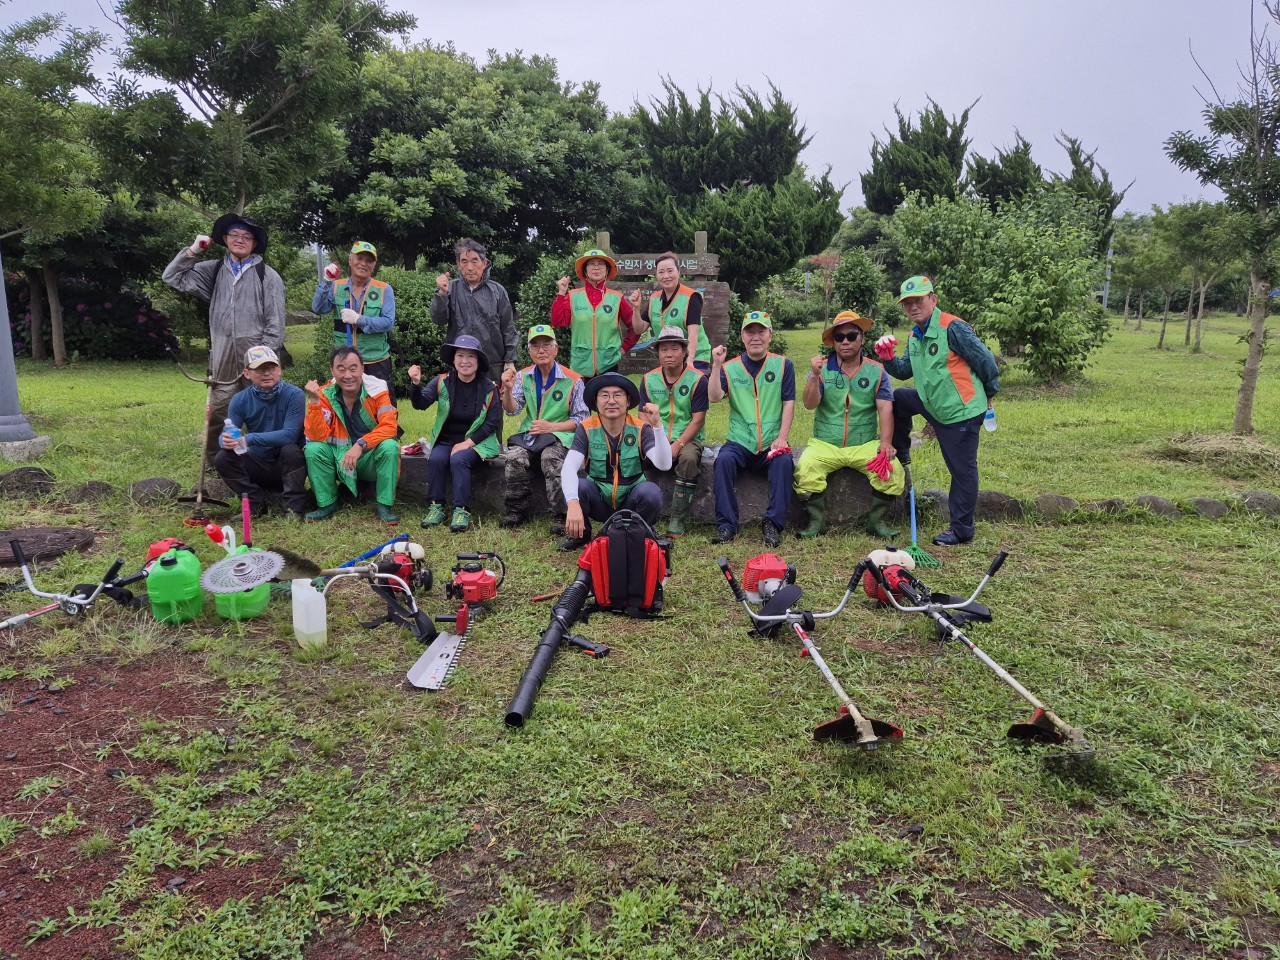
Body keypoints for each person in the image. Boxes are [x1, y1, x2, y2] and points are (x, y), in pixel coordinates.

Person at [875, 275, 1000, 546]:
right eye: (907, 303)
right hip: (933, 405)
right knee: (901, 397)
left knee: (962, 471)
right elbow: (905, 370)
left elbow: (986, 361)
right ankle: (902, 449)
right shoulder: (914, 335)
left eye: (918, 300)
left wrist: (990, 393)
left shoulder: (953, 328)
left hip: (961, 413)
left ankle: (962, 529)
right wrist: (887, 360)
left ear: (933, 299)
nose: (913, 308)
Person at [162, 213, 285, 453]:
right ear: (225, 239)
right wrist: (193, 251)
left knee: (264, 408)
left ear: (255, 243)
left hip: (258, 354)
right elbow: (172, 276)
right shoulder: (214, 270)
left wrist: (263, 357)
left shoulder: (267, 276)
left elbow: (276, 323)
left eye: (246, 236)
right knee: (220, 408)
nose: (240, 240)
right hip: (223, 354)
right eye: (234, 235)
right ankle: (218, 461)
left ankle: (264, 459)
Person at [793, 311, 905, 538]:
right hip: (825, 443)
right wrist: (814, 376)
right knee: (805, 468)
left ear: (862, 338)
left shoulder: (877, 370)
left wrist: (885, 442)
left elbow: (885, 408)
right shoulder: (822, 369)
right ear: (833, 342)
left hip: (864, 443)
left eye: (852, 336)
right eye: (839, 337)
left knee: (892, 471)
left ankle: (876, 522)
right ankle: (817, 522)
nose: (845, 341)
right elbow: (809, 404)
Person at [707, 311, 795, 547]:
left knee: (784, 463)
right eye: (750, 332)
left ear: (770, 335)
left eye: (761, 331)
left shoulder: (783, 365)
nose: (755, 337)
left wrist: (782, 438)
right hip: (740, 440)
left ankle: (772, 524)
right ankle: (727, 525)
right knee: (723, 460)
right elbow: (714, 397)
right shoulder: (730, 367)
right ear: (742, 336)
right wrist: (716, 366)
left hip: (771, 442)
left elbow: (788, 402)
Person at [559, 372, 671, 551]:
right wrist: (572, 503)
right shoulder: (586, 428)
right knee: (579, 487)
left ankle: (642, 532)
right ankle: (581, 534)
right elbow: (568, 469)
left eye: (618, 395)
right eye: (604, 395)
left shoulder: (641, 428)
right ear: (596, 402)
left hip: (630, 502)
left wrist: (658, 426)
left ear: (628, 402)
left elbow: (664, 464)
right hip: (600, 501)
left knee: (651, 493)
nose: (611, 401)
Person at [499, 324, 588, 535]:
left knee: (551, 457)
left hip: (561, 435)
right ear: (529, 351)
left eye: (547, 345)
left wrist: (552, 427)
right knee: (514, 457)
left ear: (556, 349)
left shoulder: (573, 379)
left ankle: (561, 513)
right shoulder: (522, 376)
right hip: (531, 436)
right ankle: (516, 510)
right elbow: (512, 410)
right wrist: (508, 391)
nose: (541, 350)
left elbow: (582, 417)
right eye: (535, 346)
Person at [408, 334, 501, 534]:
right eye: (460, 355)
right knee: (436, 459)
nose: (465, 361)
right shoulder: (442, 381)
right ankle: (436, 506)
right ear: (453, 359)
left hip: (478, 442)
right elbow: (420, 404)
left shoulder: (488, 388)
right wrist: (415, 385)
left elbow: (493, 423)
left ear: (478, 361)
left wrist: (467, 443)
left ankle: (461, 509)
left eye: (471, 356)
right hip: (447, 439)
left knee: (459, 460)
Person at [302, 346, 401, 524]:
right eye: (341, 369)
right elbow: (316, 436)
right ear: (332, 371)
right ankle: (327, 504)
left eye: (353, 368)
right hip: (338, 459)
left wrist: (361, 444)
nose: (348, 375)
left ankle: (384, 506)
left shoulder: (377, 391)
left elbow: (390, 426)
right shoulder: (324, 394)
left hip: (367, 458)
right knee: (313, 449)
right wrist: (314, 402)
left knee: (390, 446)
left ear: (362, 369)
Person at [213, 346, 307, 519]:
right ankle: (255, 503)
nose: (267, 373)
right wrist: (224, 440)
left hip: (285, 464)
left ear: (279, 370)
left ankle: (293, 508)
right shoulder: (240, 399)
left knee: (291, 449)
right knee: (222, 457)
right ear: (247, 373)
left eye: (271, 368)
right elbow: (229, 430)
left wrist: (249, 438)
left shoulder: (295, 395)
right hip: (256, 464)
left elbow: (290, 435)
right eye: (260, 369)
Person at [638, 325, 708, 536]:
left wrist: (677, 445)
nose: (669, 354)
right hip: (655, 435)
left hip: (687, 437)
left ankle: (677, 518)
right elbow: (642, 416)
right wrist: (653, 441)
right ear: (658, 353)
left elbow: (698, 420)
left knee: (687, 459)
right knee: (632, 454)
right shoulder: (648, 380)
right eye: (664, 349)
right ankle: (635, 511)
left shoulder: (697, 379)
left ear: (684, 351)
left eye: (675, 348)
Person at [312, 241, 397, 400]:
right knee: (346, 409)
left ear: (374, 265)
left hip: (376, 361)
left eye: (369, 260)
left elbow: (388, 322)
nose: (363, 263)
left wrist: (359, 320)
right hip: (345, 363)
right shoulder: (336, 286)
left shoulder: (384, 289)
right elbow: (318, 308)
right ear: (350, 260)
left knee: (383, 408)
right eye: (359, 258)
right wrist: (326, 281)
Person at [551, 249, 645, 378]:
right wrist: (561, 293)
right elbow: (558, 321)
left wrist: (623, 349)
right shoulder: (573, 296)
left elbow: (636, 328)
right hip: (580, 367)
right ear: (585, 270)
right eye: (591, 264)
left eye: (600, 264)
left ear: (607, 270)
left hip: (609, 366)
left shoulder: (617, 298)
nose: (596, 267)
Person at [431, 238, 518, 378]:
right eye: (464, 261)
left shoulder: (497, 291)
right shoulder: (450, 288)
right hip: (462, 366)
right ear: (458, 264)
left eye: (475, 261)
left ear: (484, 263)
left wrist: (510, 360)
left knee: (492, 400)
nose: (470, 267)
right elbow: (438, 320)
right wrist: (441, 293)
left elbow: (508, 328)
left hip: (493, 366)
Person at [637, 252, 712, 373]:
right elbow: (639, 329)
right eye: (661, 272)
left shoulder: (691, 297)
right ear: (656, 275)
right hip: (671, 359)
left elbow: (693, 333)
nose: (666, 276)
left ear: (678, 272)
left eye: (670, 271)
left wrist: (690, 361)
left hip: (696, 358)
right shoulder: (654, 299)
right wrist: (636, 308)